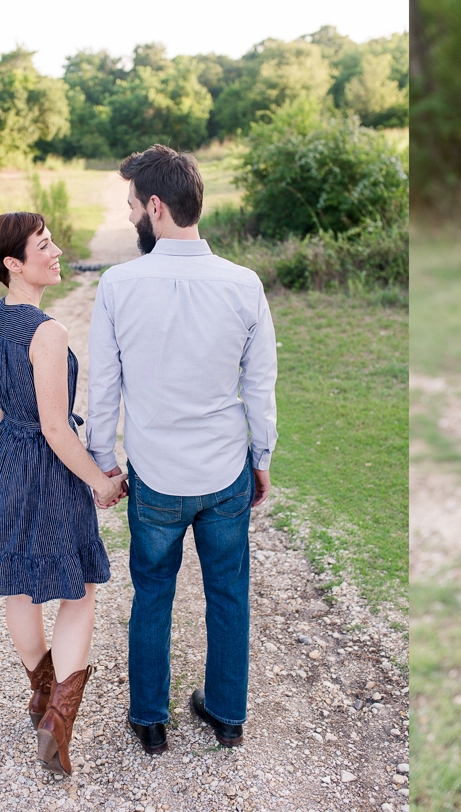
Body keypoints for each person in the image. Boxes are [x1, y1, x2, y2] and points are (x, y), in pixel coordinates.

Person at [86, 144, 277, 755]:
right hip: (225, 473)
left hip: (157, 478)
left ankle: (149, 719)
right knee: (228, 592)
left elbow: (105, 384)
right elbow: (259, 382)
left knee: (153, 590)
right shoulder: (243, 284)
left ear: (157, 207)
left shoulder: (119, 284)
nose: (130, 215)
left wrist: (103, 462)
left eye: (133, 206)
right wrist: (262, 457)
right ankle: (226, 714)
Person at [0, 212, 126, 776]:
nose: (57, 250)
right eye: (44, 245)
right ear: (13, 262)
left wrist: (13, 461)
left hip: (7, 459)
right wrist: (101, 482)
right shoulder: (48, 331)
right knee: (79, 590)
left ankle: (41, 696)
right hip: (49, 470)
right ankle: (58, 717)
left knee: (19, 587)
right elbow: (57, 429)